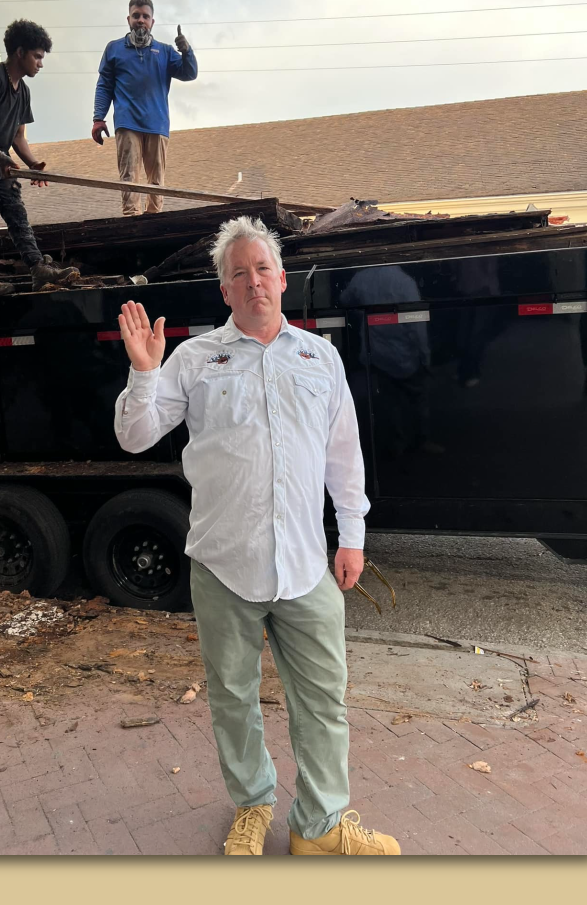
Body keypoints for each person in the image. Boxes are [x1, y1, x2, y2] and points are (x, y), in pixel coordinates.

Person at [113, 216, 402, 857]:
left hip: (304, 567)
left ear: (282, 278)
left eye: (262, 268)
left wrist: (350, 536)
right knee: (233, 697)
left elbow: (343, 454)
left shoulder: (317, 356)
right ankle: (252, 806)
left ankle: (320, 828)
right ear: (224, 290)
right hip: (223, 566)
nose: (253, 282)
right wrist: (143, 373)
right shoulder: (192, 360)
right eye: (238, 273)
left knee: (324, 701)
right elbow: (135, 436)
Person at [0, 19, 78, 296]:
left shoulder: (24, 91)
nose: (40, 64)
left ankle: (38, 269)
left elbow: (19, 137)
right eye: (37, 56)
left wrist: (33, 164)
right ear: (19, 52)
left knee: (15, 210)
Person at [92, 0, 198, 216]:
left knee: (156, 180)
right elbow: (104, 85)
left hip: (157, 125)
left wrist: (186, 51)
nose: (141, 20)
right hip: (127, 122)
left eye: (145, 16)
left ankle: (154, 219)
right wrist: (98, 118)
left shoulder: (166, 51)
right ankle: (131, 219)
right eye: (136, 16)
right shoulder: (114, 49)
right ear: (128, 19)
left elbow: (189, 73)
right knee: (129, 176)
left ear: (152, 22)